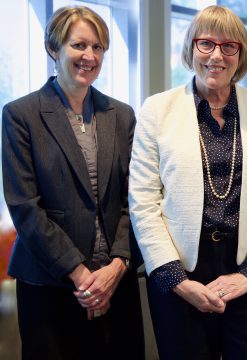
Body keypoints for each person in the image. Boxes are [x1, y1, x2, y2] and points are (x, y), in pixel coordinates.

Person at [128, 5, 247, 359]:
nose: (217, 55)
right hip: (181, 269)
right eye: (206, 44)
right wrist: (176, 280)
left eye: (229, 46)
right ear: (191, 48)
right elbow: (143, 201)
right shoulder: (157, 110)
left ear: (240, 55)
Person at [1, 5, 144, 360]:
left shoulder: (122, 115)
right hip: (50, 285)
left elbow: (136, 199)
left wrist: (116, 267)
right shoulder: (21, 115)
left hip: (116, 282)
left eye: (97, 48)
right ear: (54, 48)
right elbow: (24, 207)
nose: (90, 56)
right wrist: (81, 275)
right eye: (79, 45)